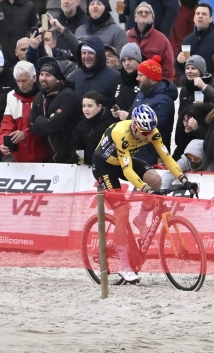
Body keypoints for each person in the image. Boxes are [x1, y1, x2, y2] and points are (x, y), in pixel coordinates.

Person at [91, 103, 198, 282]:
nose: (148, 136)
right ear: (134, 126)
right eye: (144, 133)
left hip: (124, 161)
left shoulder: (152, 132)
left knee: (156, 180)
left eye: (151, 132)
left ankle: (140, 219)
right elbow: (127, 170)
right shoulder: (121, 133)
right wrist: (144, 188)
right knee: (122, 212)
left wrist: (184, 180)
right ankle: (124, 266)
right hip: (104, 166)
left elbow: (167, 158)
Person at [27, 56, 79, 163]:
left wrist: (39, 118)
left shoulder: (68, 95)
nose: (43, 78)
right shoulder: (39, 96)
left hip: (74, 154)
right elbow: (31, 126)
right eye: (41, 74)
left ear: (58, 79)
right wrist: (45, 122)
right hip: (53, 155)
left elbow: (52, 125)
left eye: (48, 75)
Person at [130, 55, 177, 164]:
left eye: (140, 75)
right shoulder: (141, 94)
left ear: (150, 77)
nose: (137, 78)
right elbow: (131, 115)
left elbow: (152, 129)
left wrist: (130, 121)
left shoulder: (164, 101)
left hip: (154, 156)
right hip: (136, 152)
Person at [0, 60, 45, 162]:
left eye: (24, 81)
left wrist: (26, 134)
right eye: (18, 81)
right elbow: (7, 124)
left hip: (43, 154)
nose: (21, 85)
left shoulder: (44, 95)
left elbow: (46, 125)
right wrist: (3, 142)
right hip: (19, 154)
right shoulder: (11, 96)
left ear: (34, 78)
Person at [173, 54, 214, 159]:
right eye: (187, 68)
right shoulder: (184, 90)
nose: (189, 71)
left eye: (193, 68)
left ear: (201, 71)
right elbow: (180, 113)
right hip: (185, 136)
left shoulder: (209, 87)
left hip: (202, 138)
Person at [176, 4, 214, 77]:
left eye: (204, 14)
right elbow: (182, 67)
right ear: (194, 18)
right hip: (189, 83)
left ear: (211, 19)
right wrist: (179, 61)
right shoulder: (187, 40)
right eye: (197, 13)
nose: (200, 16)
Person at [124, 1, 174, 81]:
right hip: (128, 84)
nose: (143, 14)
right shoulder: (125, 36)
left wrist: (163, 88)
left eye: (147, 12)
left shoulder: (162, 40)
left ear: (152, 18)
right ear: (135, 18)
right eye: (140, 12)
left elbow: (168, 71)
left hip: (151, 86)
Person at [67, 35, 120, 107]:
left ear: (99, 55)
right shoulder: (74, 76)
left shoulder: (115, 77)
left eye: (90, 53)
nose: (86, 56)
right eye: (83, 53)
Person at [71, 90, 117, 165]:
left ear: (99, 107)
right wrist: (81, 160)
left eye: (90, 106)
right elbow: (75, 145)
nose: (86, 109)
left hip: (103, 167)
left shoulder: (110, 124)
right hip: (84, 167)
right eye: (84, 106)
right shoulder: (81, 124)